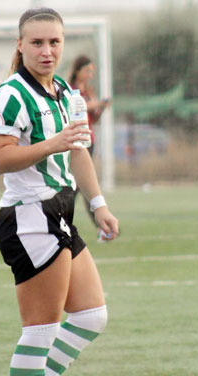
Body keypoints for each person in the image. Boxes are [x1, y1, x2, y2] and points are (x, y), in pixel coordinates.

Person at [0, 8, 120, 376]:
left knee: (91, 316)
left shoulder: (65, 91)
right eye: (37, 42)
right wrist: (52, 144)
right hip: (29, 216)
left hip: (60, 214)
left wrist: (99, 206)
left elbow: (78, 151)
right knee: (41, 329)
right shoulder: (11, 94)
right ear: (20, 45)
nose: (47, 50)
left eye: (54, 42)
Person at [68, 54, 112, 241]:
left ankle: (101, 227)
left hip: (88, 141)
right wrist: (96, 104)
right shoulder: (70, 90)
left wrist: (100, 109)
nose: (90, 74)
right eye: (87, 70)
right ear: (78, 71)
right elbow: (80, 106)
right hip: (73, 142)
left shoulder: (90, 91)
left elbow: (94, 116)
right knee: (76, 186)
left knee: (83, 186)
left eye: (91, 71)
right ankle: (100, 227)